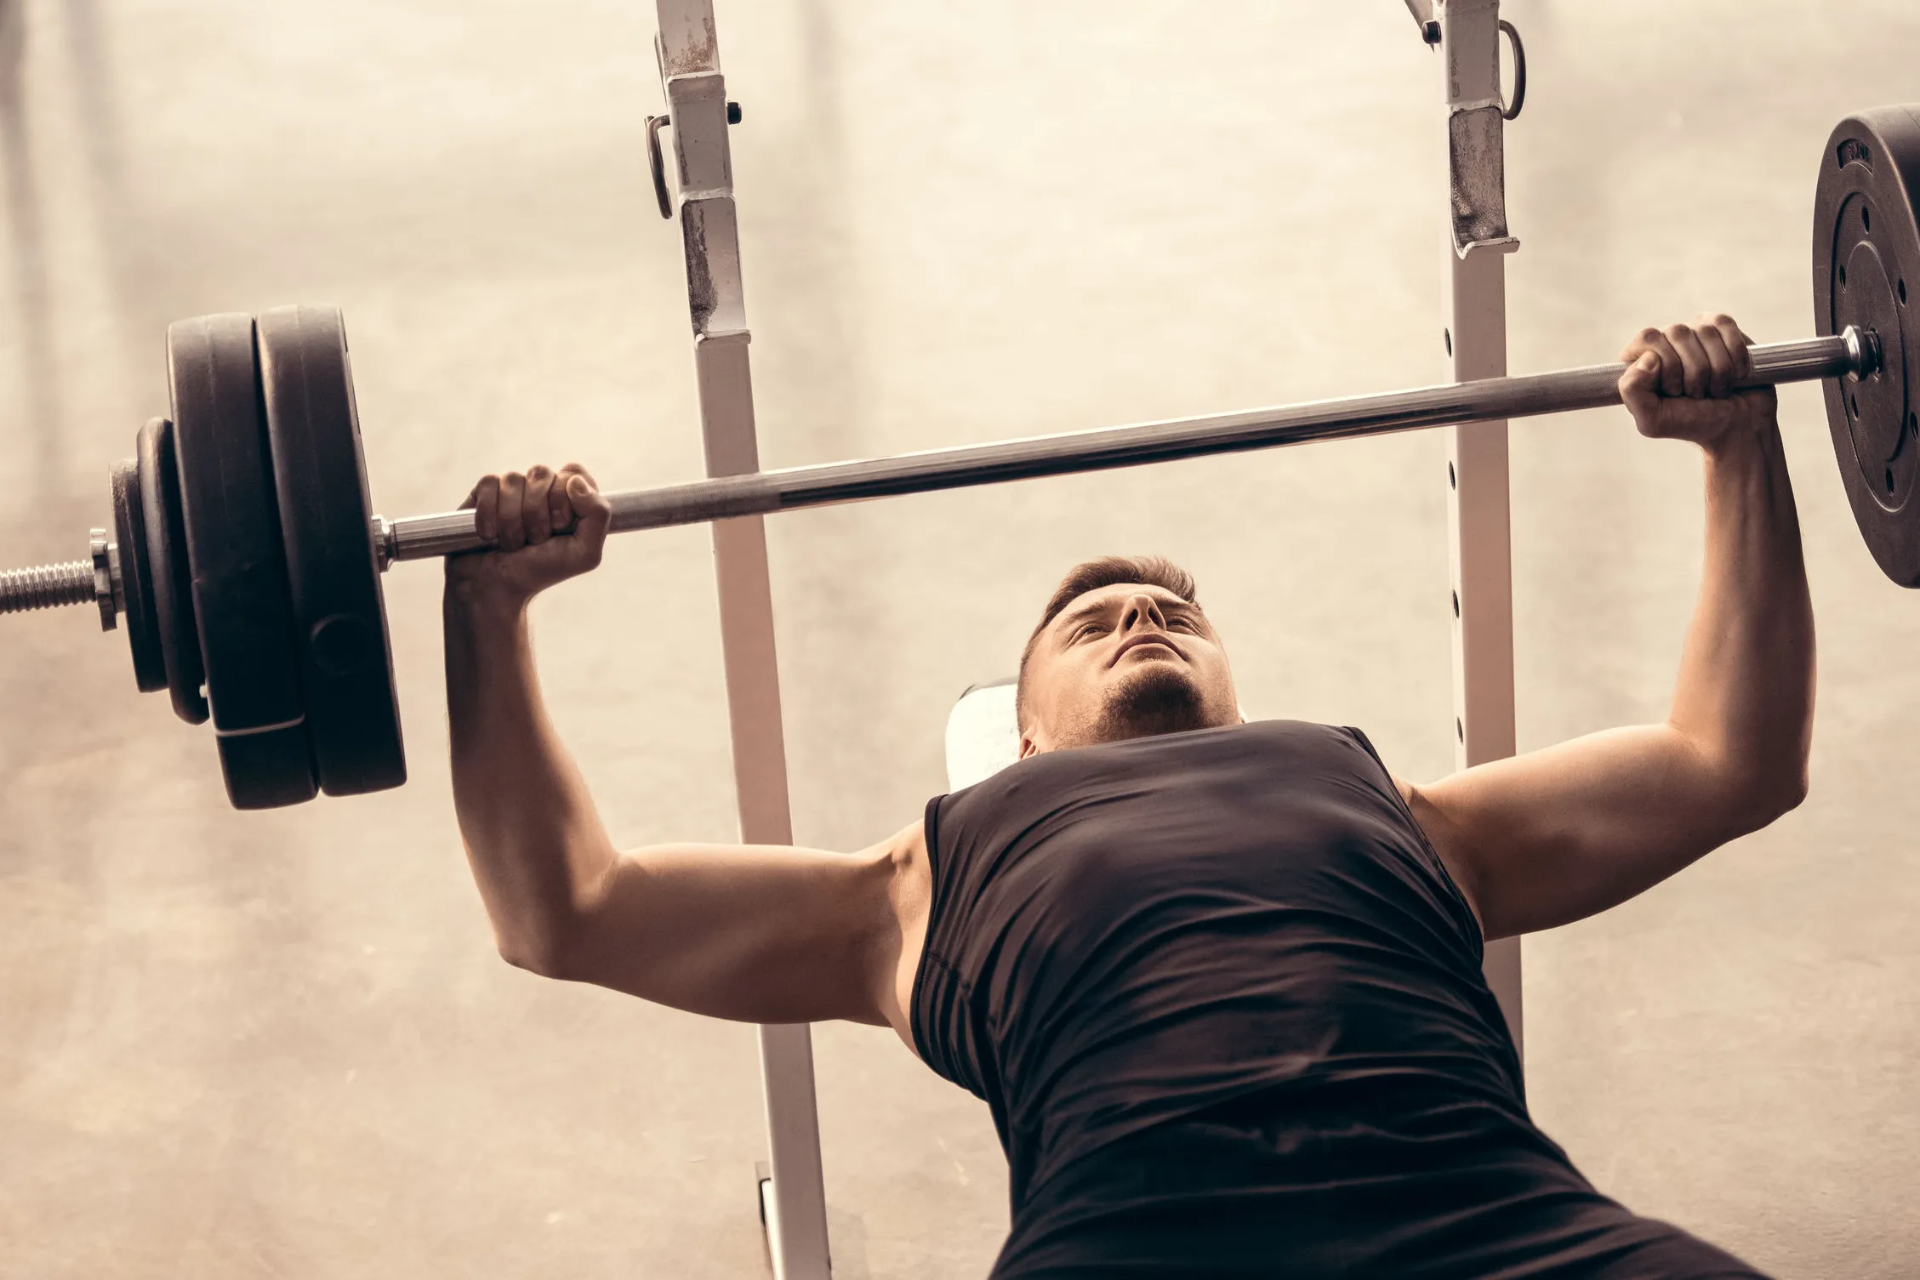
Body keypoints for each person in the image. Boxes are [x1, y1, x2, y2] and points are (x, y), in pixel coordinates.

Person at [442, 315, 1809, 1278]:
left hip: (1490, 1228)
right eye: (1092, 621)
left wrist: (1739, 446)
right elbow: (566, 909)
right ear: (1020, 745)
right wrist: (488, 605)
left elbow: (1725, 762)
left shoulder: (1397, 806)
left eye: (1170, 613)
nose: (1144, 615)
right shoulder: (918, 882)